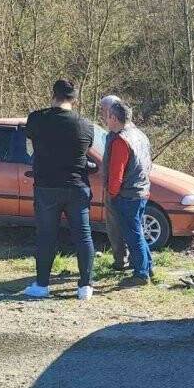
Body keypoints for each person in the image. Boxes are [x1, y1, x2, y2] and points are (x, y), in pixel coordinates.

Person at [22, 80, 95, 301]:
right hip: (77, 186)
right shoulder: (85, 125)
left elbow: (29, 149)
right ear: (75, 99)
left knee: (46, 236)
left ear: (53, 95)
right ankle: (85, 287)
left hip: (47, 187)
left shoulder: (36, 119)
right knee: (83, 236)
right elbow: (86, 151)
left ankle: (42, 285)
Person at [102, 100, 154, 287]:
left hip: (127, 195)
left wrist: (113, 194)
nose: (106, 120)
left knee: (133, 235)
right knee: (138, 231)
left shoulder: (121, 141)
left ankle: (141, 274)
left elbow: (116, 173)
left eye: (108, 117)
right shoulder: (140, 135)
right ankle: (148, 267)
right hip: (141, 191)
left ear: (115, 118)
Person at [98, 94, 128, 272]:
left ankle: (121, 262)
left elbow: (117, 168)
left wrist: (112, 191)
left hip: (118, 191)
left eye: (104, 110)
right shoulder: (114, 134)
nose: (102, 114)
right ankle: (126, 261)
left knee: (117, 229)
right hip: (122, 190)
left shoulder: (119, 137)